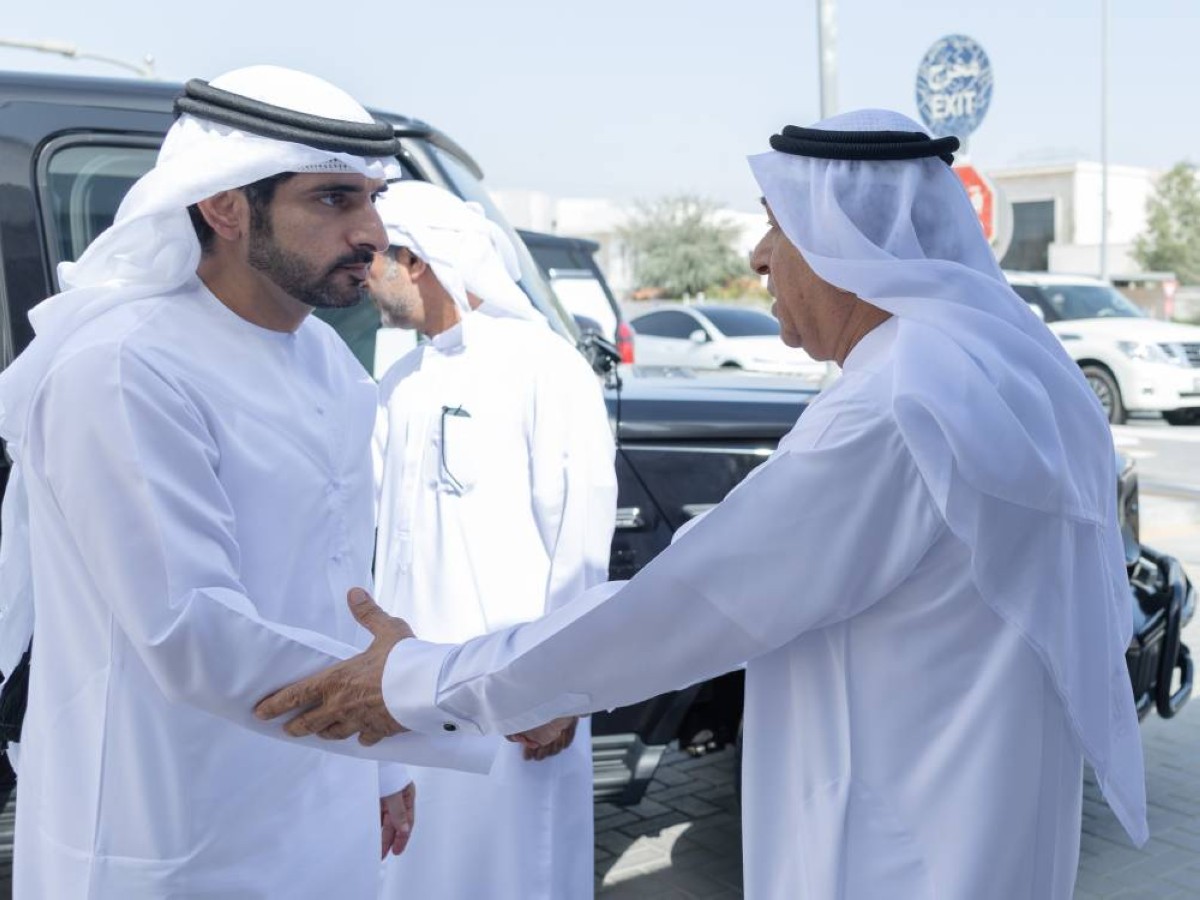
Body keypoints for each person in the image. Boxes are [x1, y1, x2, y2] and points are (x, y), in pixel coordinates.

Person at [257, 110, 1148, 899]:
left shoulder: (902, 400)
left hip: (896, 846)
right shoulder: (1003, 368)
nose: (757, 256)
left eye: (778, 226)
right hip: (977, 821)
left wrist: (418, 681)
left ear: (851, 247)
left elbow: (688, 605)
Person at [0, 66, 492, 898]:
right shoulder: (126, 366)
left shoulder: (327, 361)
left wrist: (380, 766)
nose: (372, 232)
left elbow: (344, 583)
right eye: (333, 199)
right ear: (225, 208)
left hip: (324, 787)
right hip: (170, 821)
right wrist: (418, 700)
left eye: (373, 199)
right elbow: (189, 629)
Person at [365, 181, 616, 899]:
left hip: (518, 691)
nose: (363, 272)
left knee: (516, 863)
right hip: (413, 688)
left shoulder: (545, 367)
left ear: (416, 260)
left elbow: (580, 542)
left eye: (376, 255)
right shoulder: (400, 380)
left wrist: (560, 687)